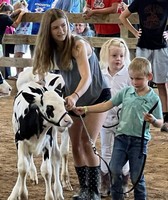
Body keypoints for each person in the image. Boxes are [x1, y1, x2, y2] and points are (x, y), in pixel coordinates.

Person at [32, 8, 111, 200]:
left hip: (95, 96)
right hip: (72, 99)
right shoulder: (49, 48)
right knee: (75, 144)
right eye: (55, 28)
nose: (61, 31)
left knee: (87, 142)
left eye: (63, 25)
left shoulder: (78, 45)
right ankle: (84, 189)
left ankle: (94, 191)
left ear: (68, 24)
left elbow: (87, 77)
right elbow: (40, 72)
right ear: (48, 31)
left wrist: (75, 96)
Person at [75, 57, 163, 200]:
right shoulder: (126, 92)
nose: (134, 82)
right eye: (132, 78)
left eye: (139, 79)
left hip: (139, 142)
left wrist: (153, 120)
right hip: (121, 138)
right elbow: (107, 104)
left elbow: (160, 122)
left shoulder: (154, 99)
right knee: (114, 171)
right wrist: (86, 109)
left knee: (136, 177)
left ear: (149, 77)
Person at [119, 0, 168, 132]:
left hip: (161, 46)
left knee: (161, 83)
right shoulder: (140, 1)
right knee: (137, 80)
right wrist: (135, 32)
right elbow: (122, 16)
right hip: (144, 46)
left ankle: (165, 119)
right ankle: (133, 114)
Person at [99, 38, 131, 197]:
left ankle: (124, 182)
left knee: (123, 150)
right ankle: (104, 182)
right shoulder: (101, 74)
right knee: (105, 148)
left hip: (124, 121)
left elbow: (133, 95)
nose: (118, 59)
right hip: (104, 119)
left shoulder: (128, 75)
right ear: (107, 56)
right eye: (114, 55)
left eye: (121, 56)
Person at [8, 0, 32, 79]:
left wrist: (19, 12)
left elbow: (12, 17)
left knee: (18, 56)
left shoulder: (23, 14)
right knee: (18, 55)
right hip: (21, 37)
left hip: (21, 37)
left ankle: (20, 74)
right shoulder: (26, 13)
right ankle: (19, 74)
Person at [0, 2, 25, 78]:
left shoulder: (3, 16)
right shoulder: (5, 18)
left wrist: (16, 11)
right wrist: (21, 15)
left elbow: (9, 16)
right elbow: (15, 25)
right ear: (8, 12)